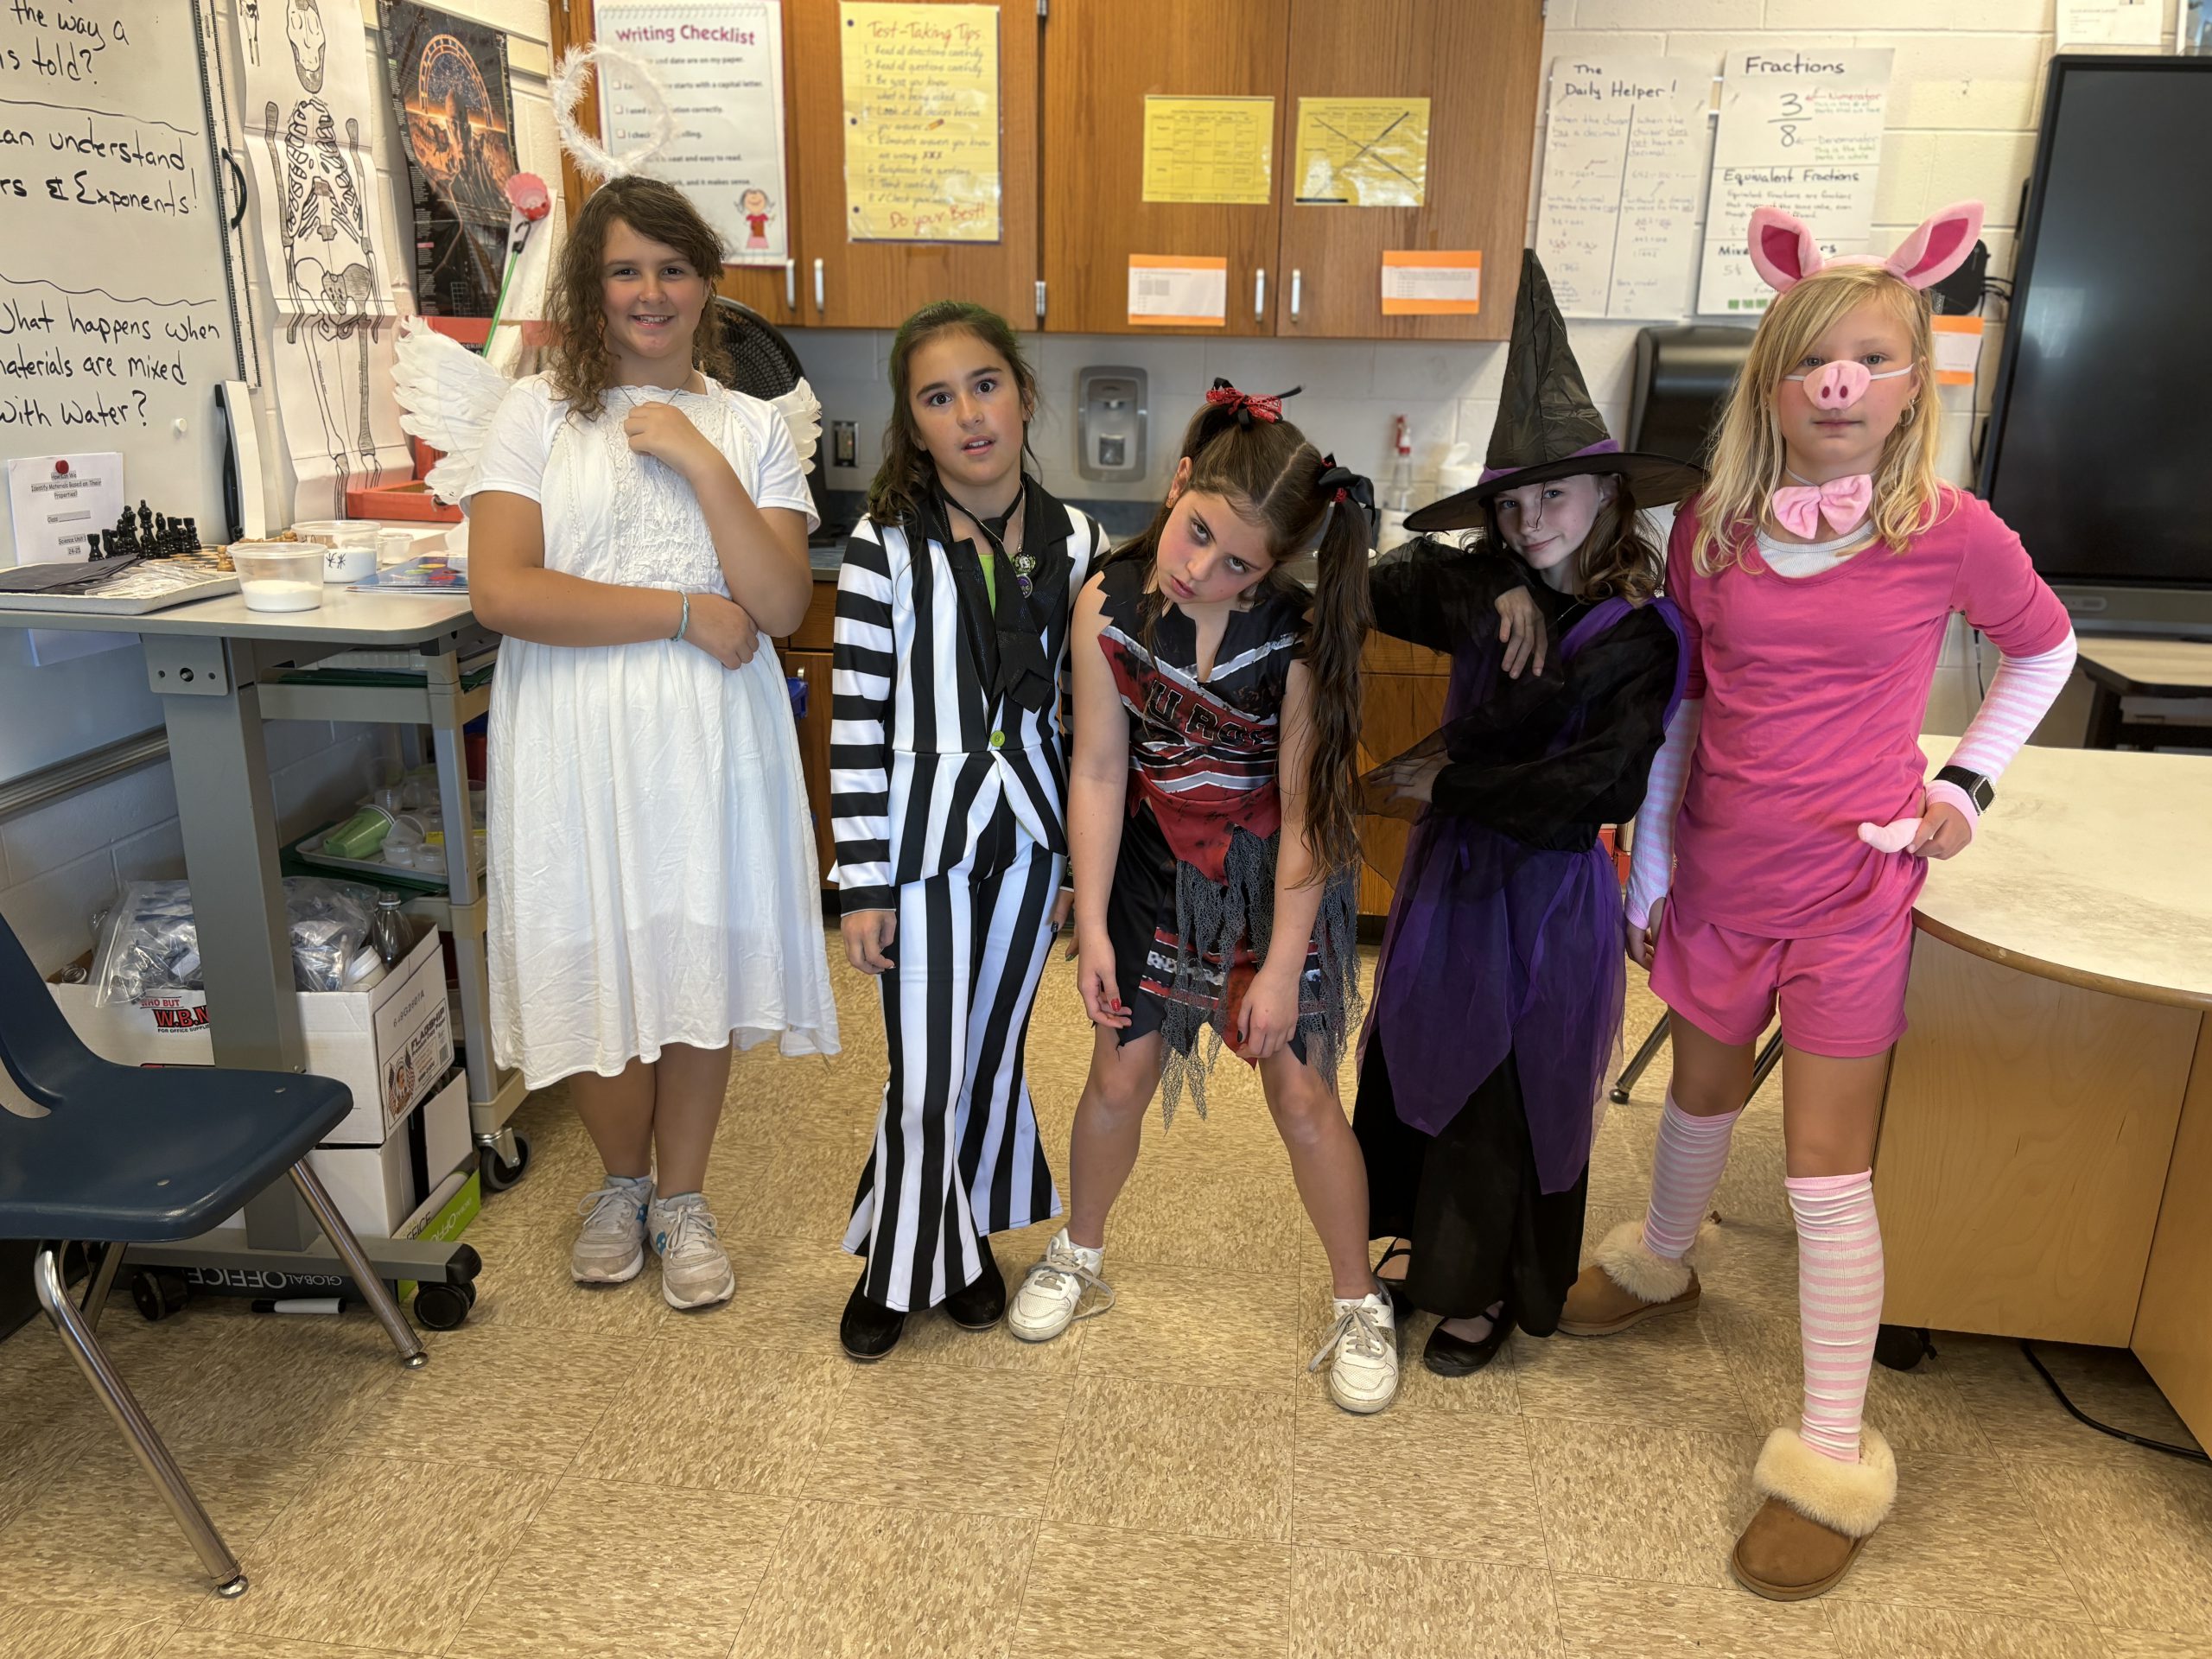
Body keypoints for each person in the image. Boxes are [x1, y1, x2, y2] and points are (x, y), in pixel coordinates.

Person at [1559, 202, 2077, 1599]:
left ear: (1912, 384)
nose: (1840, 384)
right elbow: (1687, 707)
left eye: (1871, 358)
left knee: (1822, 1169)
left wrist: (1965, 788)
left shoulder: (1950, 532)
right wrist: (1656, 860)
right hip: (1723, 872)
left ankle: (1831, 1450)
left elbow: (2047, 648)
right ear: (1771, 382)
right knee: (1698, 1096)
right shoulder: (1708, 532)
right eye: (1812, 360)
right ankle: (1664, 1263)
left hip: (1854, 888)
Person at [468, 175, 838, 1313]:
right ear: (591, 289)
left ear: (705, 287)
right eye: (626, 270)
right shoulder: (533, 415)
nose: (650, 292)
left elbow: (777, 601)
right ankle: (619, 1180)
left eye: (673, 269)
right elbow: (501, 589)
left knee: (695, 961)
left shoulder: (751, 430)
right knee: (585, 959)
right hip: (574, 740)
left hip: (708, 748)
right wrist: (680, 613)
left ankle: (680, 1196)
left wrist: (699, 454)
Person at [1005, 383, 1398, 1415]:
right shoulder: (1107, 599)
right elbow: (1097, 767)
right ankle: (1078, 1254)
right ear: (1177, 487)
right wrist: (1088, 923)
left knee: (1304, 1098)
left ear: (1276, 571)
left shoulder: (1298, 639)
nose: (1201, 570)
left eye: (1238, 563)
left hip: (1278, 882)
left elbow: (1312, 818)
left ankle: (1358, 1301)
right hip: (1152, 870)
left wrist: (1275, 970)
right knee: (1115, 1079)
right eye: (1197, 536)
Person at [1355, 250, 1700, 1379]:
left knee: (1505, 1090)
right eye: (1513, 502)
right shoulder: (1495, 583)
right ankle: (1425, 1249)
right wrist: (1484, 584)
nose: (1533, 516)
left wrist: (1445, 787)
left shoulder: (1637, 634)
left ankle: (1482, 1287)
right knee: (1420, 1055)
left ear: (1609, 495)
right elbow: (1381, 580)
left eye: (1555, 492)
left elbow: (1594, 792)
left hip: (1544, 900)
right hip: (1454, 890)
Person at [833, 303, 1109, 1360]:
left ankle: (956, 1245)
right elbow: (856, 718)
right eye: (937, 397)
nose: (968, 414)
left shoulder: (1077, 539)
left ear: (1024, 395)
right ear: (915, 424)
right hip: (922, 843)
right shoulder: (881, 548)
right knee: (928, 1065)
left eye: (985, 385)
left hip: (1034, 839)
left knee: (989, 1055)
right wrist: (861, 881)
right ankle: (900, 1269)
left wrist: (1088, 879)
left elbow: (1093, 723)